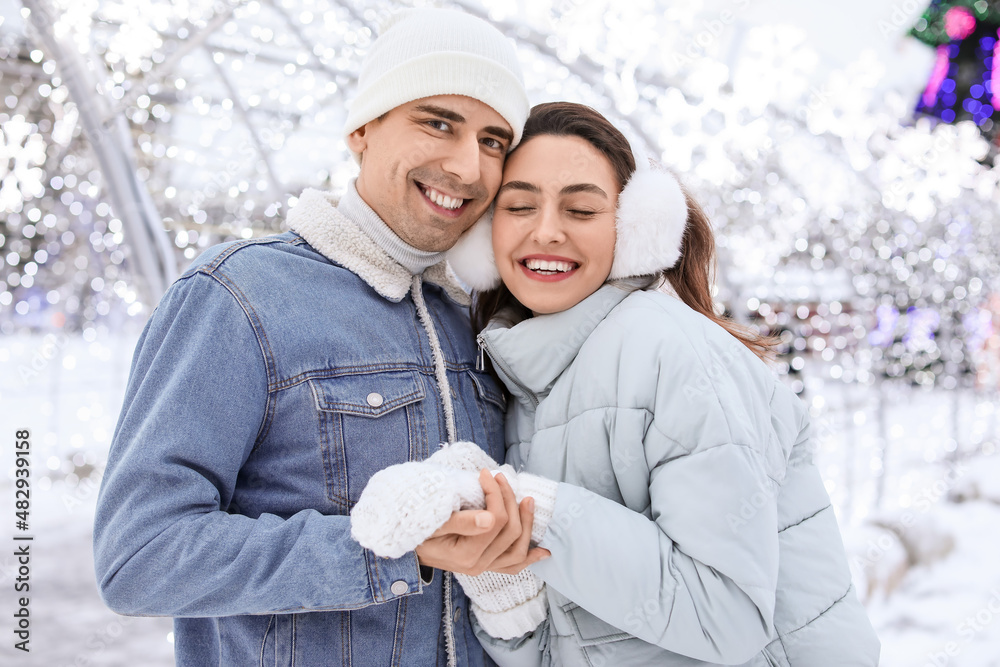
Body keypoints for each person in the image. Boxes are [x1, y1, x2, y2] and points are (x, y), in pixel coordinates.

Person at [92, 9, 548, 666]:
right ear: (362, 128)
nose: (468, 166)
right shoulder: (240, 295)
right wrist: (392, 548)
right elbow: (140, 557)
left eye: (494, 140)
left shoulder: (480, 321)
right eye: (437, 121)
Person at [351, 102, 882, 666]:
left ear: (632, 231)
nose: (547, 230)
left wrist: (532, 511)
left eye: (581, 209)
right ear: (486, 233)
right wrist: (506, 594)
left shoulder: (673, 352)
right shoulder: (521, 373)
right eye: (520, 205)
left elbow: (726, 617)